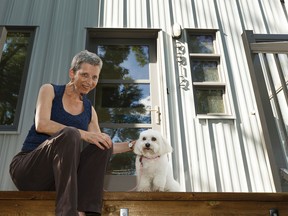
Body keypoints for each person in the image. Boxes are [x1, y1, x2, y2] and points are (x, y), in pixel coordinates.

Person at [9, 50, 135, 216]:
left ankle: (88, 211)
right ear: (72, 73)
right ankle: (67, 212)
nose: (89, 82)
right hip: (30, 171)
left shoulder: (90, 111)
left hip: (60, 179)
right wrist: (82, 133)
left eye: (94, 77)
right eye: (85, 75)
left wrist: (134, 144)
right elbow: (42, 124)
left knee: (102, 145)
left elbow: (103, 144)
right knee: (70, 134)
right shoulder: (50, 90)